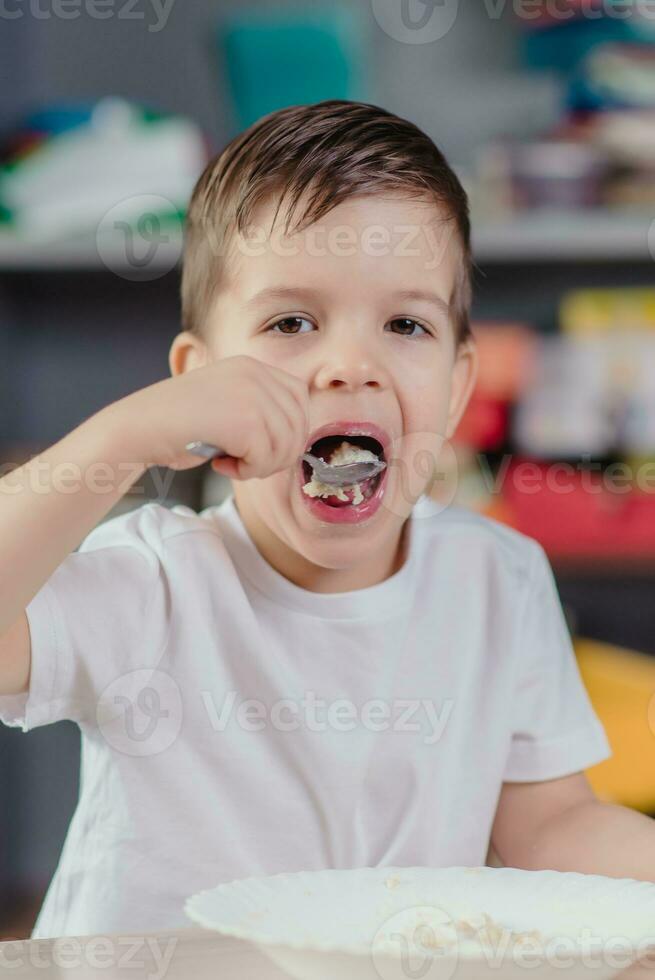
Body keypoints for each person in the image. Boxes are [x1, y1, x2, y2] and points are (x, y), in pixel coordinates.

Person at [1, 101, 648, 942]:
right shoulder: (154, 578)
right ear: (197, 381)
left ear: (455, 389)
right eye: (291, 322)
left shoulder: (497, 578)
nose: (349, 366)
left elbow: (551, 826)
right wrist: (130, 434)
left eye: (404, 324)